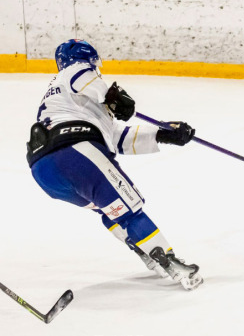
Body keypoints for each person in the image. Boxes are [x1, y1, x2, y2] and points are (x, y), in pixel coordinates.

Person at [27, 39, 203, 289]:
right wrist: (112, 95)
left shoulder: (69, 102)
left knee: (110, 209)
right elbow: (87, 79)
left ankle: (144, 250)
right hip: (74, 154)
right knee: (130, 209)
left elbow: (115, 139)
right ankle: (171, 263)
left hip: (45, 171)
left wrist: (162, 133)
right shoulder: (73, 73)